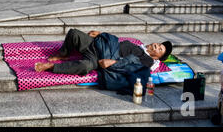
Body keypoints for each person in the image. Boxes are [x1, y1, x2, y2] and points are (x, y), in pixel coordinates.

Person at [35, 28, 172, 94]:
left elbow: (131, 65)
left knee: (85, 66)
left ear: (157, 57)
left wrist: (113, 63)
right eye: (159, 44)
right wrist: (101, 35)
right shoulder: (138, 45)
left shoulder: (148, 61)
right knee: (74, 33)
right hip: (97, 45)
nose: (157, 46)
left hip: (101, 58)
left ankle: (52, 67)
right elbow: (116, 42)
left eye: (160, 49)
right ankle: (63, 54)